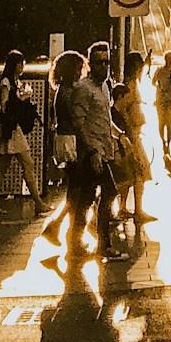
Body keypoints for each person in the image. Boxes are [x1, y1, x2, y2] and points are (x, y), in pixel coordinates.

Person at [54, 46, 119, 264]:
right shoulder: (84, 89)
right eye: (99, 62)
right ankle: (103, 244)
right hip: (91, 153)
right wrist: (92, 151)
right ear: (90, 64)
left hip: (103, 149)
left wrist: (119, 136)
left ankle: (75, 241)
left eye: (107, 62)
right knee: (109, 191)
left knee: (86, 198)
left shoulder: (104, 88)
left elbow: (104, 118)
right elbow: (78, 123)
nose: (104, 66)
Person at [110, 52, 152, 245]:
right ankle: (137, 210)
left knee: (131, 173)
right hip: (132, 134)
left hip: (133, 132)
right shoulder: (130, 85)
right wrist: (128, 132)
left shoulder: (131, 83)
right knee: (138, 171)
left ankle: (124, 207)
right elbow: (123, 110)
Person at [0, 51, 44, 210]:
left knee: (2, 167)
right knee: (27, 163)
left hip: (11, 128)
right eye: (20, 63)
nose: (22, 67)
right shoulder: (7, 82)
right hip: (12, 129)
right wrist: (22, 99)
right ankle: (38, 202)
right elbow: (5, 105)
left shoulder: (13, 81)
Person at [153, 53, 171, 164]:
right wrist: (160, 88)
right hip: (160, 100)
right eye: (167, 58)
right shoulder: (159, 70)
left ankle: (168, 144)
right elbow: (153, 81)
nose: (168, 60)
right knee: (161, 123)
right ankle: (163, 142)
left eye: (170, 59)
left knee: (168, 123)